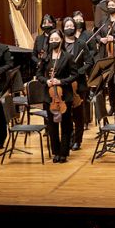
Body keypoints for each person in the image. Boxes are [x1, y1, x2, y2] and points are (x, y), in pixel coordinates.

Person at [38, 29, 77, 164]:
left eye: (56, 39)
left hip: (64, 95)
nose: (53, 42)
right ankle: (55, 152)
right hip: (49, 96)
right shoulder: (45, 57)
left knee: (66, 125)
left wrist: (61, 81)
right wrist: (46, 81)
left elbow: (74, 75)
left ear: (61, 40)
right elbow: (39, 75)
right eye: (51, 40)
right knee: (52, 126)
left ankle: (64, 152)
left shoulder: (68, 57)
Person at [61, 17, 92, 151]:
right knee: (66, 114)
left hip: (79, 83)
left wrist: (78, 71)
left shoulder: (81, 44)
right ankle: (68, 137)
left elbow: (89, 62)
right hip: (64, 83)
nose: (70, 28)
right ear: (63, 28)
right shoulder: (60, 44)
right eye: (67, 26)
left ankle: (77, 140)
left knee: (78, 114)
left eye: (71, 26)